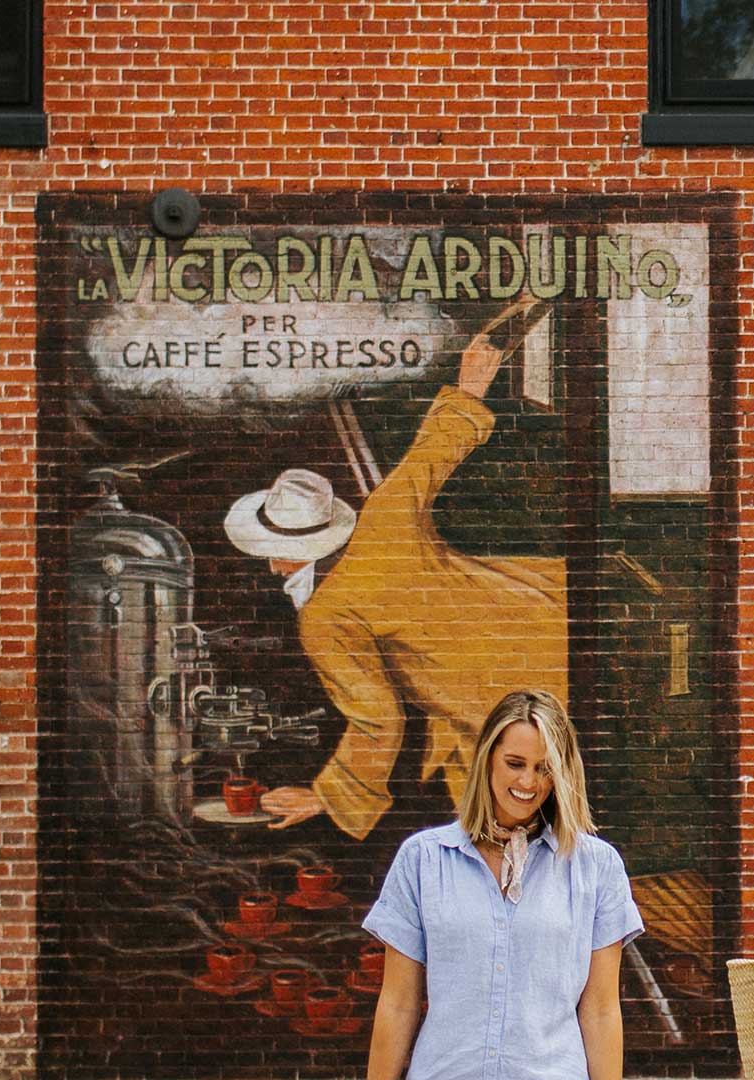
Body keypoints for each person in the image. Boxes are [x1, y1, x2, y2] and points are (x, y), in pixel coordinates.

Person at [228, 315, 569, 840]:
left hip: (500, 700)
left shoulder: (324, 617)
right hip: (549, 614)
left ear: (278, 555)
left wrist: (325, 796)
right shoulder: (384, 516)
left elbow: (379, 720)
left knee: (515, 826)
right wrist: (472, 377)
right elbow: (434, 449)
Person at [363, 690, 642, 1080]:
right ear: (488, 759)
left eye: (545, 768)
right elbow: (398, 1002)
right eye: (515, 763)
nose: (528, 781)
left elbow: (600, 1010)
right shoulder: (423, 860)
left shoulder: (596, 868)